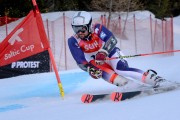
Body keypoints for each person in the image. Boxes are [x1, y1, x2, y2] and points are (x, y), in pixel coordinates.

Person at [68, 11, 165, 88]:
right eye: (76, 29)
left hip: (111, 55)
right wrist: (90, 69)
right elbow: (80, 61)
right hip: (97, 62)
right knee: (104, 72)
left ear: (89, 26)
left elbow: (112, 39)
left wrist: (103, 52)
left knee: (121, 70)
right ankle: (129, 86)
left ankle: (154, 79)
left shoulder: (97, 29)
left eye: (82, 29)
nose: (79, 32)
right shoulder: (73, 41)